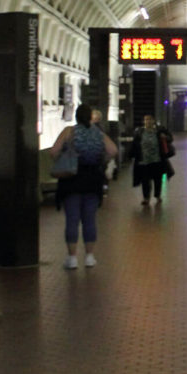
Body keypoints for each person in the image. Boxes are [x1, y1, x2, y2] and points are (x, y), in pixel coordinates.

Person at [50, 104, 117, 269]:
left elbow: (53, 151)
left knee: (72, 219)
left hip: (71, 179)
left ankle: (72, 258)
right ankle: (89, 256)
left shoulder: (69, 132)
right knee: (89, 220)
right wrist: (102, 161)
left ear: (76, 116)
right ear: (90, 117)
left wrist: (63, 158)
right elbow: (113, 150)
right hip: (93, 179)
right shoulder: (98, 133)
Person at [131, 114, 173, 206]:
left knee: (157, 180)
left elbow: (170, 138)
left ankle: (157, 195)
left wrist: (165, 137)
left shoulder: (159, 131)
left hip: (157, 160)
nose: (148, 121)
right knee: (145, 180)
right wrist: (134, 156)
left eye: (150, 119)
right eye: (146, 119)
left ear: (153, 120)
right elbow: (135, 144)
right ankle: (146, 198)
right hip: (144, 161)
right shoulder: (139, 132)